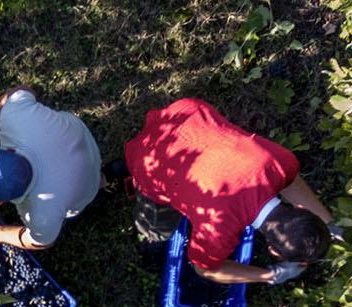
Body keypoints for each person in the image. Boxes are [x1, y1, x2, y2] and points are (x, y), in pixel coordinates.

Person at [121, 97, 334, 286]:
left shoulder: (278, 164)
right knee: (157, 226)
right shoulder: (218, 230)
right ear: (273, 251)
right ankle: (151, 234)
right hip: (148, 161)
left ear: (299, 208)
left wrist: (328, 222)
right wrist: (269, 275)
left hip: (188, 115)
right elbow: (204, 268)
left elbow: (291, 179)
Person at [0, 85, 103, 251]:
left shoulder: (41, 216)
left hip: (90, 188)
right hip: (83, 138)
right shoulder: (16, 118)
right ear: (6, 151)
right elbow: (20, 91)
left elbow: (41, 242)